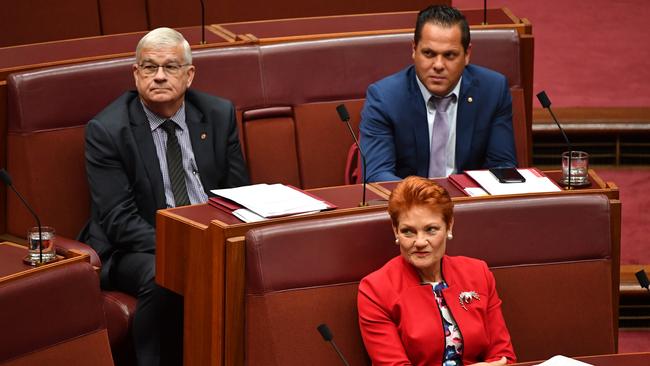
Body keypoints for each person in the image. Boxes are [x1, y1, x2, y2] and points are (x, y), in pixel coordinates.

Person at [79, 27, 249, 366]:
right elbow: (119, 220)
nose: (158, 77)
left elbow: (236, 193)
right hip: (133, 247)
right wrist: (189, 245)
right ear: (135, 73)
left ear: (189, 75)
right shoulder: (108, 130)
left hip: (208, 235)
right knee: (165, 273)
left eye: (170, 67)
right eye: (148, 67)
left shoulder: (218, 114)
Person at [357, 176, 516, 365]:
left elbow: (504, 357)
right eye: (408, 231)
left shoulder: (477, 272)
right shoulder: (375, 290)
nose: (420, 242)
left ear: (449, 226)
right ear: (395, 231)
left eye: (431, 229)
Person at [360, 5, 517, 182]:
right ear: (413, 50)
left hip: (467, 203)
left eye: (449, 55)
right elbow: (377, 176)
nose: (438, 65)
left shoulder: (493, 90)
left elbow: (502, 166)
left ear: (467, 54)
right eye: (429, 53)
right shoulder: (385, 98)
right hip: (411, 205)